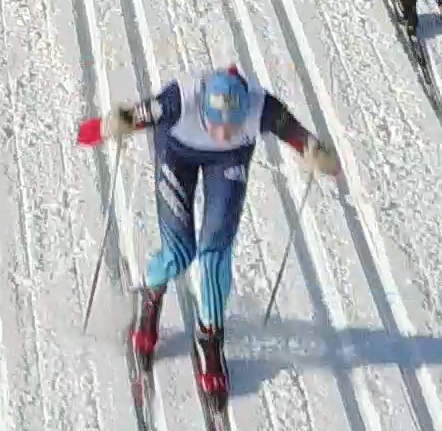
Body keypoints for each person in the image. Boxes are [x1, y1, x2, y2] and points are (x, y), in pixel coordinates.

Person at [77, 64, 336, 402]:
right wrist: (104, 128)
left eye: (234, 125)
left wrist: (316, 154)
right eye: (217, 124)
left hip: (228, 162)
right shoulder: (181, 99)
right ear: (204, 109)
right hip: (176, 152)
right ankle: (150, 299)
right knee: (178, 252)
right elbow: (135, 115)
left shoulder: (260, 107)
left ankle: (210, 337)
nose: (224, 132)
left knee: (215, 253)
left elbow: (297, 133)